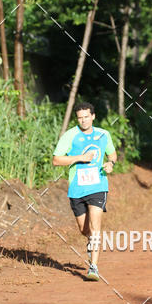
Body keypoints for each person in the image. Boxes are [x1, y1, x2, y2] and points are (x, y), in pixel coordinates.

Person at [52, 102, 117, 281]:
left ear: (93, 116)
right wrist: (80, 158)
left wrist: (111, 163)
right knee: (84, 229)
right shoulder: (70, 135)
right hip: (77, 188)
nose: (83, 120)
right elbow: (56, 160)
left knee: (96, 228)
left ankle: (93, 267)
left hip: (98, 186)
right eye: (80, 118)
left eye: (86, 117)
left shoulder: (104, 134)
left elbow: (112, 154)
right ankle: (90, 241)